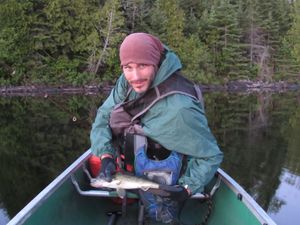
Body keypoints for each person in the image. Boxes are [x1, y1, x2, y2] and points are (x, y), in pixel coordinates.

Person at [90, 32, 223, 224]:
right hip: (133, 159)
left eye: (142, 66)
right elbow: (104, 115)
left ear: (156, 63)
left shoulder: (180, 109)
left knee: (162, 218)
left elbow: (211, 156)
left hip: (169, 173)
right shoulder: (125, 84)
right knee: (99, 156)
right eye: (128, 67)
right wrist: (106, 157)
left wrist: (186, 188)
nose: (134, 76)